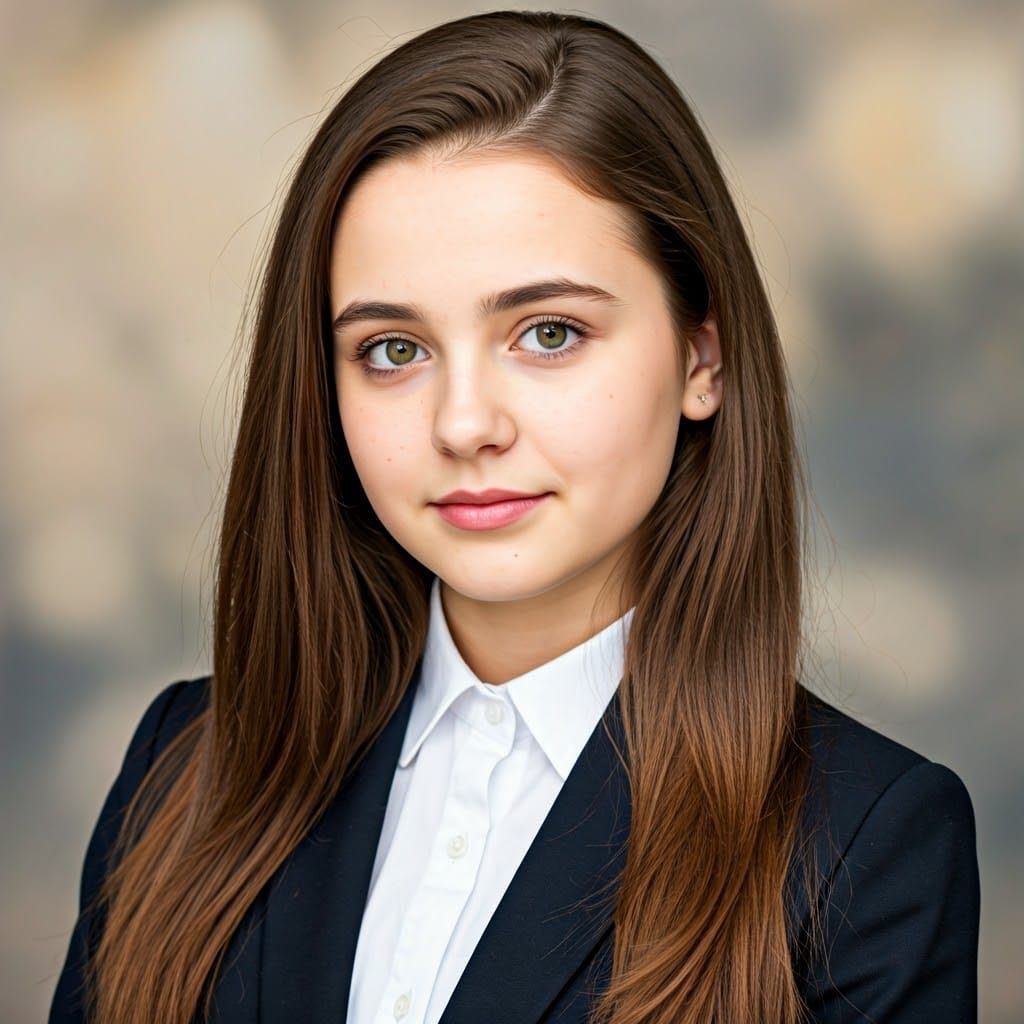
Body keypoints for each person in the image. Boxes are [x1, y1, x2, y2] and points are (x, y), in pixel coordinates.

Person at [48, 10, 980, 1024]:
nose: (463, 423)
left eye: (547, 332)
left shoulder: (868, 845)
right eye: (393, 350)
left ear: (701, 357)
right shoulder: (184, 763)